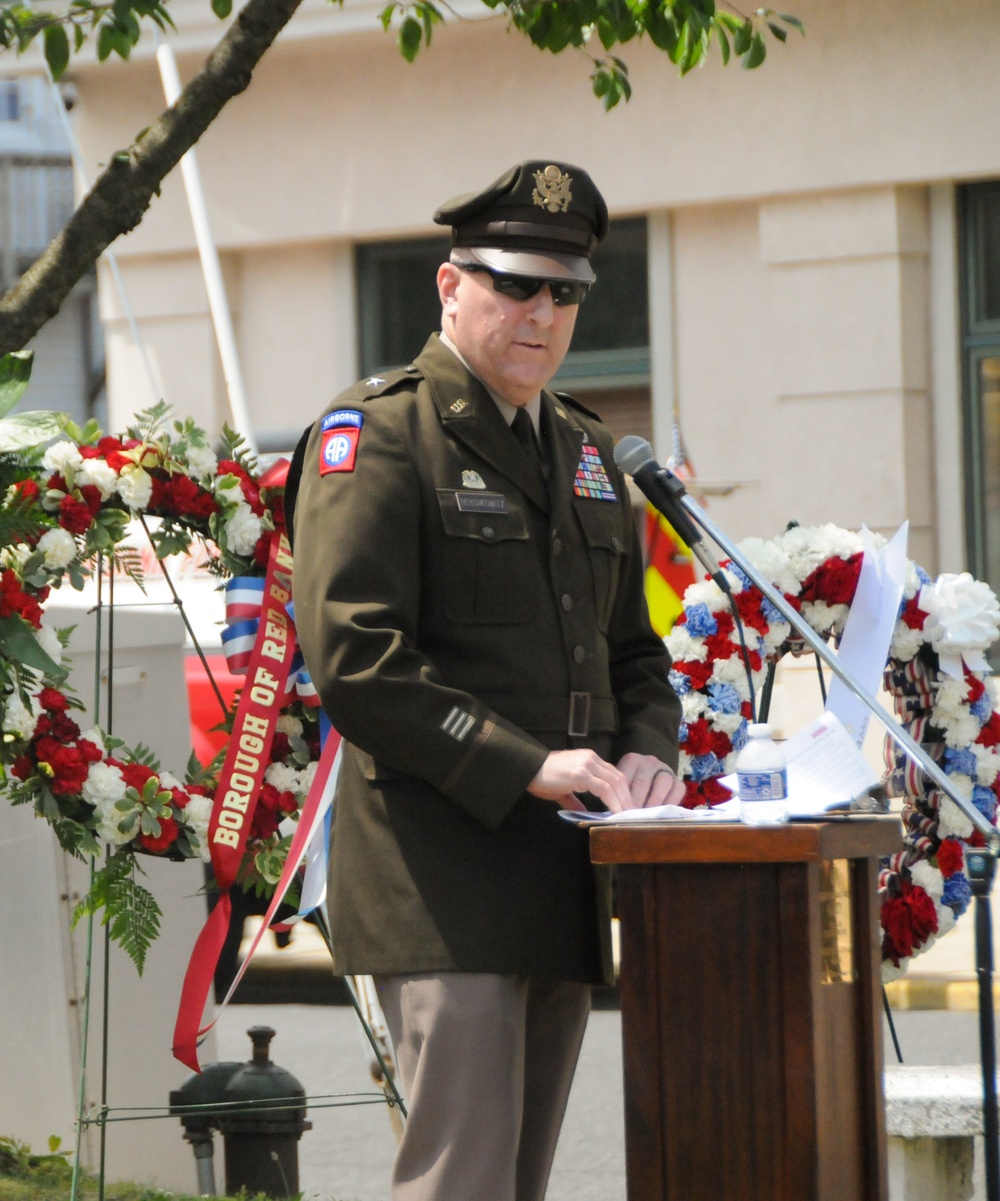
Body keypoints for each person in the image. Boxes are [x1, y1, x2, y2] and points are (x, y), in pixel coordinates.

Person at [290, 159, 683, 1201]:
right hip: (441, 878)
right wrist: (526, 765)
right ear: (449, 285)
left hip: (559, 876)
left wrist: (650, 749)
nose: (540, 312)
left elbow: (633, 650)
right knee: (460, 1182)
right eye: (514, 283)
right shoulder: (378, 433)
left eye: (564, 291)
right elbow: (355, 658)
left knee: (518, 1181)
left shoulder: (591, 453)